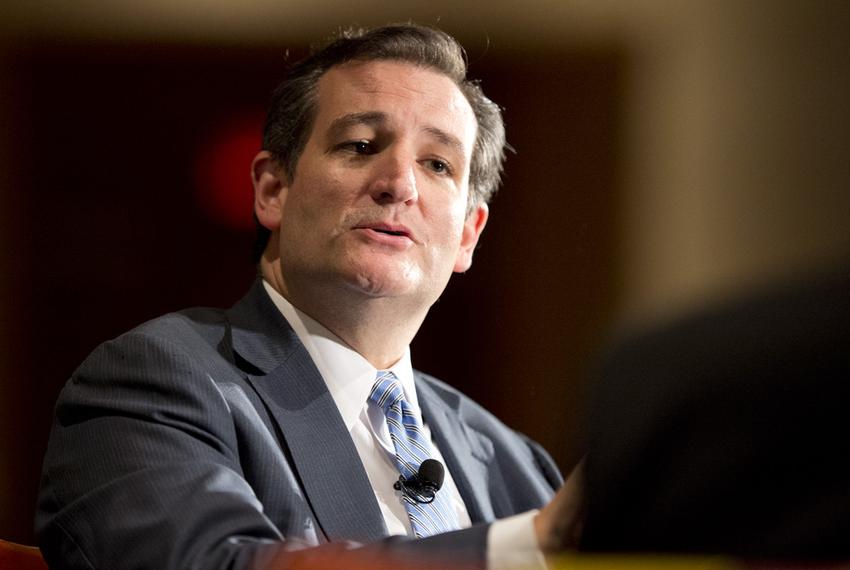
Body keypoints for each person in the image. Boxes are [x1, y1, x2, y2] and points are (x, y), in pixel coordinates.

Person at [36, 24, 582, 570]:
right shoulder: (152, 383)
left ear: (468, 234)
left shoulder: (516, 464)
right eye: (361, 145)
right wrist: (526, 547)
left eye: (437, 164)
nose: (399, 184)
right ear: (273, 190)